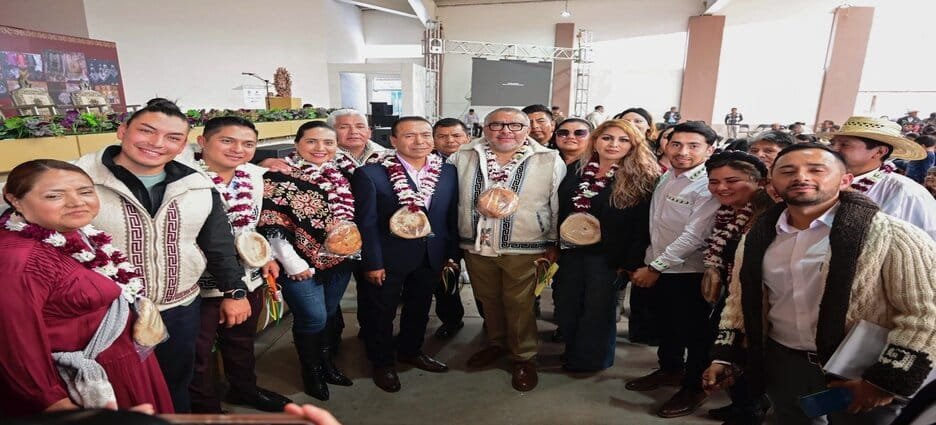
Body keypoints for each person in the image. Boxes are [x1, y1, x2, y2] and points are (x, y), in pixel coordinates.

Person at [703, 143, 936, 425]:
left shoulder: (895, 236)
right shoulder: (757, 237)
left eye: (816, 170)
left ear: (845, 180)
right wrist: (725, 356)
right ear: (771, 183)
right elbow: (739, 300)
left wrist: (884, 382)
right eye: (788, 171)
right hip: (784, 363)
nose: (801, 177)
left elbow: (925, 314)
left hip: (860, 368)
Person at [73, 98, 251, 413]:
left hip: (178, 307)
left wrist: (235, 290)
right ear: (123, 130)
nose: (157, 143)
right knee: (111, 393)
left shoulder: (196, 183)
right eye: (146, 131)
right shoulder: (78, 179)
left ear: (183, 144)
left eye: (173, 137)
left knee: (176, 384)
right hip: (103, 313)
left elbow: (217, 242)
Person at [0, 160, 174, 417]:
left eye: (85, 191)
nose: (76, 202)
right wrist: (53, 401)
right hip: (81, 382)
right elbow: (14, 342)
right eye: (54, 196)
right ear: (14, 200)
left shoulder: (78, 232)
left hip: (123, 361)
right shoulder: (20, 260)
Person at [449, 107, 565, 392]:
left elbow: (556, 203)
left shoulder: (548, 158)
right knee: (488, 298)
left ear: (527, 130)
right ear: (484, 128)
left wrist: (552, 241)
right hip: (476, 243)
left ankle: (523, 356)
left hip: (526, 244)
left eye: (515, 125)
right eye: (497, 125)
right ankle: (496, 343)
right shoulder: (463, 154)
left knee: (519, 303)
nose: (505, 131)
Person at [188, 117, 292, 413]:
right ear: (203, 141)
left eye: (248, 144)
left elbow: (253, 224)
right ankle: (206, 410)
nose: (238, 149)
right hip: (201, 283)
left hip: (248, 275)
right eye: (227, 141)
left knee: (242, 341)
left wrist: (265, 256)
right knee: (198, 352)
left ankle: (244, 390)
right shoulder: (186, 179)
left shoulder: (254, 176)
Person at [352, 116, 460, 392]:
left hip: (431, 254)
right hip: (388, 258)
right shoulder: (371, 174)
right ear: (394, 140)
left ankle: (411, 351)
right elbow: (367, 223)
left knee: (420, 308)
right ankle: (382, 363)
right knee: (381, 312)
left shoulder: (447, 172)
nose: (419, 141)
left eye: (425, 135)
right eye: (410, 135)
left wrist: (450, 255)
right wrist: (372, 262)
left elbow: (449, 216)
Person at [626, 121, 721, 418]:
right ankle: (670, 369)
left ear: (710, 150)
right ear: (665, 144)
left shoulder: (707, 185)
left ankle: (694, 387)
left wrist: (655, 267)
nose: (683, 152)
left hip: (688, 272)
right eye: (676, 144)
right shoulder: (667, 175)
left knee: (695, 333)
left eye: (693, 146)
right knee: (666, 326)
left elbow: (695, 237)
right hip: (659, 265)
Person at [256, 121, 356, 401]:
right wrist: (292, 263)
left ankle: (327, 365)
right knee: (313, 317)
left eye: (328, 142)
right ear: (297, 144)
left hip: (340, 260)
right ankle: (311, 372)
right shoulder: (278, 174)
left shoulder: (344, 172)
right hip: (298, 263)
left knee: (329, 312)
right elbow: (272, 223)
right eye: (311, 141)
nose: (320, 148)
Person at [555, 119, 658, 372]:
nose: (614, 144)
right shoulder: (577, 169)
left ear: (634, 145)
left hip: (608, 257)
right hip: (571, 251)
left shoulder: (641, 177)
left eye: (623, 140)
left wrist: (630, 263)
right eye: (607, 138)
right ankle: (573, 350)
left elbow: (642, 225)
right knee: (568, 304)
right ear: (596, 140)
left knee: (597, 310)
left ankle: (591, 360)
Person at [699, 152, 775, 424]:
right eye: (714, 182)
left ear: (758, 181)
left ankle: (750, 410)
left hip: (755, 298)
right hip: (733, 295)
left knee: (743, 354)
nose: (721, 188)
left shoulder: (767, 216)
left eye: (732, 181)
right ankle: (743, 404)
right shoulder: (727, 211)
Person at [822, 116, 936, 240]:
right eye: (832, 143)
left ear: (879, 152)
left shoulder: (905, 192)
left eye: (844, 144)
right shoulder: (818, 180)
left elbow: (929, 239)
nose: (833, 149)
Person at [430, 118, 470, 339]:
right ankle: (451, 319)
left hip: (474, 230)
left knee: (484, 282)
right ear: (434, 140)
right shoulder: (427, 164)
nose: (450, 140)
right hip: (444, 230)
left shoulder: (479, 160)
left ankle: (492, 323)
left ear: (467, 137)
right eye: (442, 136)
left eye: (456, 135)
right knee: (445, 277)